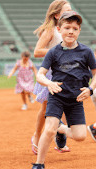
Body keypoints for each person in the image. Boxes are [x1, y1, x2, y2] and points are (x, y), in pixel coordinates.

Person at [32, 11, 96, 169]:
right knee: (49, 129)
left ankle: (61, 129)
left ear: (79, 31)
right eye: (67, 27)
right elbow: (40, 75)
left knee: (80, 136)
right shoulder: (53, 52)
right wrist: (49, 84)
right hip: (57, 96)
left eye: (75, 28)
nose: (71, 31)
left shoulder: (86, 52)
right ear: (59, 29)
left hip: (76, 100)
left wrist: (91, 89)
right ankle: (39, 164)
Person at [31, 0, 72, 155]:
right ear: (56, 14)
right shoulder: (51, 30)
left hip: (66, 73)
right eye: (67, 10)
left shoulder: (68, 29)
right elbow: (37, 51)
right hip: (50, 74)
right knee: (45, 108)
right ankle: (36, 135)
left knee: (65, 106)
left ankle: (60, 139)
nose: (70, 12)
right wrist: (57, 52)